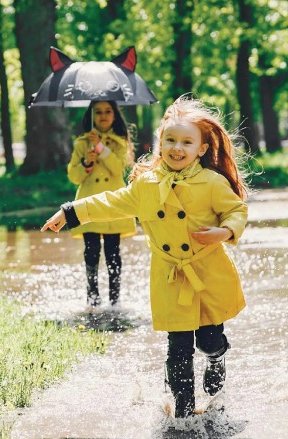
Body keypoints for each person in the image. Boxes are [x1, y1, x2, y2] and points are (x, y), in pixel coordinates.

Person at [43, 96, 249, 418]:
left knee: (209, 339)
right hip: (170, 275)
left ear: (202, 149)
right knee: (177, 348)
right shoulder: (146, 185)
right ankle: (182, 417)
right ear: (159, 143)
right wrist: (70, 212)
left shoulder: (211, 183)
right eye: (169, 140)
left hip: (206, 274)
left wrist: (224, 232)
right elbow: (111, 201)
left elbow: (236, 210)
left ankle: (216, 358)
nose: (176, 148)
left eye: (186, 142)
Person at [67, 100, 136, 307]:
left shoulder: (120, 142)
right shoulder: (82, 143)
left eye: (108, 112)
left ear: (115, 115)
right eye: (98, 112)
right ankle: (92, 297)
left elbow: (117, 169)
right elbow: (73, 175)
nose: (103, 116)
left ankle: (115, 299)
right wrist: (86, 163)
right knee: (91, 250)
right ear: (91, 116)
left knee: (113, 251)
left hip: (113, 203)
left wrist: (100, 148)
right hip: (87, 202)